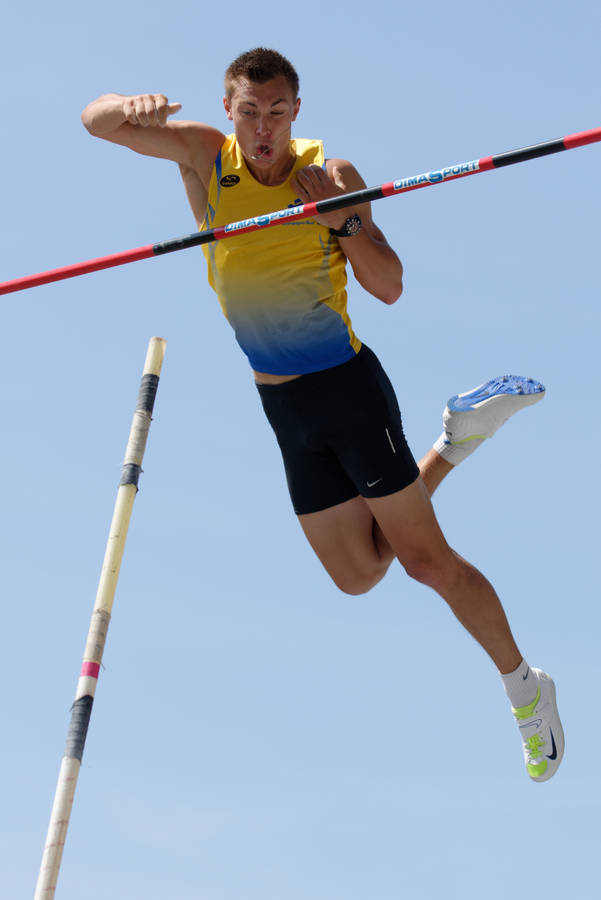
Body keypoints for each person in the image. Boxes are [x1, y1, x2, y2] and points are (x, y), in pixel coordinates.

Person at [82, 47, 563, 782]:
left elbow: (390, 285)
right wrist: (127, 108)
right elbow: (96, 124)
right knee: (358, 575)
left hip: (346, 389)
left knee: (424, 562)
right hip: (281, 406)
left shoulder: (330, 175)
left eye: (276, 112)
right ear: (229, 111)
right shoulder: (207, 161)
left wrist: (344, 223)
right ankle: (456, 438)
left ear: (295, 111)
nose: (264, 128)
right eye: (249, 112)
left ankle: (524, 690)